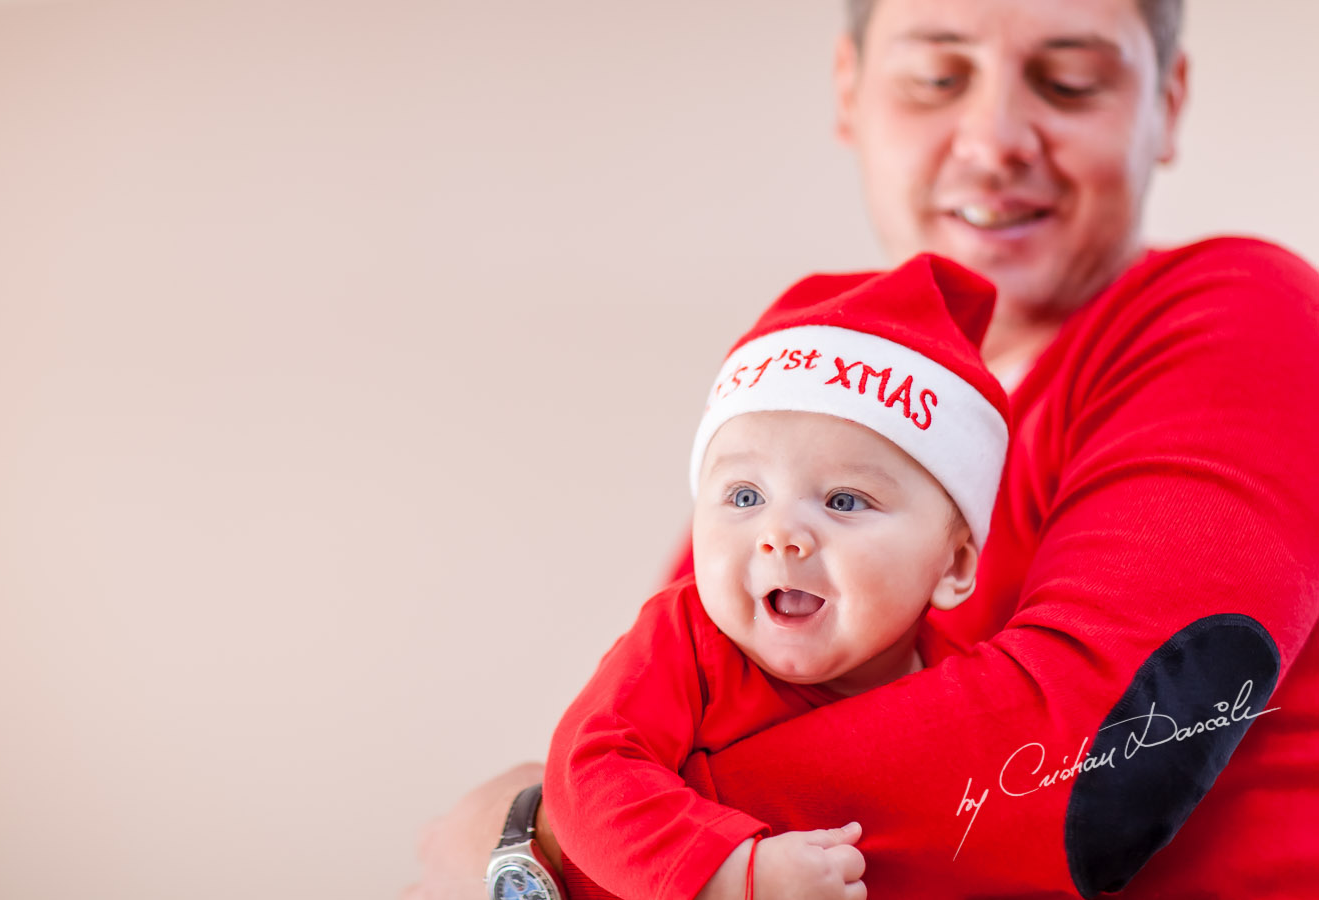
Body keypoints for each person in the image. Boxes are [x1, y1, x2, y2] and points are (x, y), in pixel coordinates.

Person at [412, 0, 1319, 896]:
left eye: (1069, 82)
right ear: (849, 92)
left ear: (1169, 99)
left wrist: (561, 834)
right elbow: (650, 729)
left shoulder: (1240, 316)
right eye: (936, 77)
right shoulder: (790, 460)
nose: (995, 137)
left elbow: (1104, 761)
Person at [546, 254, 1010, 900]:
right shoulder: (687, 643)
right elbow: (588, 771)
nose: (780, 534)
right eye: (743, 497)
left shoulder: (969, 699)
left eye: (844, 500)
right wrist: (733, 874)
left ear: (955, 564)